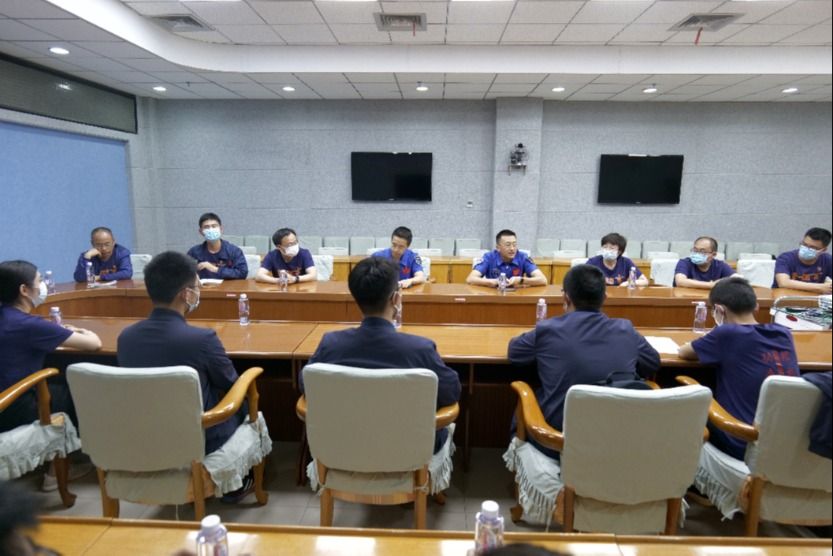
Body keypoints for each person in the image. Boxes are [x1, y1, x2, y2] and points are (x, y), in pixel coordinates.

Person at [304, 257, 461, 453]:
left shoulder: (331, 344)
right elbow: (451, 392)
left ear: (355, 298)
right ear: (396, 299)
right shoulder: (420, 349)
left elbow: (306, 384)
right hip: (407, 451)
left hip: (344, 448)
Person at [508, 264, 660, 458]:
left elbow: (515, 353)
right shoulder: (626, 329)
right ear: (604, 298)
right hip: (621, 439)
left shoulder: (549, 329)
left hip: (558, 440)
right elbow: (652, 363)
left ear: (566, 298)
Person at [117, 252, 246, 458]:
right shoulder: (202, 340)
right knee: (243, 396)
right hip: (200, 437)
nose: (198, 291)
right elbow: (229, 381)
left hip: (144, 435)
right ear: (186, 294)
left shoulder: (126, 337)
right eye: (197, 287)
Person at [678, 276, 799, 459]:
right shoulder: (783, 333)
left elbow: (684, 352)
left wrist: (715, 332)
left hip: (740, 440)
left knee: (683, 402)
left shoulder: (727, 333)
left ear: (719, 310)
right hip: (784, 443)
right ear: (756, 306)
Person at [0, 260, 102, 433]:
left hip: (5, 399)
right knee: (82, 386)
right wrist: (83, 330)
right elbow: (94, 344)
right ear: (24, 290)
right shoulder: (30, 325)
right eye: (39, 281)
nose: (43, 286)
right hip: (15, 406)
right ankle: (80, 441)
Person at [467, 230, 548, 288]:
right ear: (498, 248)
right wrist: (493, 282)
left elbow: (543, 280)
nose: (512, 248)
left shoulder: (523, 257)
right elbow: (470, 279)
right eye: (508, 245)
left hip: (517, 297)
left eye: (514, 245)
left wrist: (520, 280)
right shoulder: (489, 257)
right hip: (493, 296)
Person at [186, 212, 248, 280]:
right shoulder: (194, 252)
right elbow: (184, 272)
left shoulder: (234, 251)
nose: (211, 229)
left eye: (214, 226)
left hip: (227, 286)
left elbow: (242, 273)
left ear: (221, 229)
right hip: (203, 286)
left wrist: (215, 269)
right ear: (201, 232)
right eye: (206, 227)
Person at [774, 227, 832, 293]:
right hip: (783, 297)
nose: (807, 249)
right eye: (804, 244)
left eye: (813, 247)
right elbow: (783, 283)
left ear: (823, 250)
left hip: (812, 298)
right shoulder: (785, 258)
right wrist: (819, 287)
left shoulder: (827, 260)